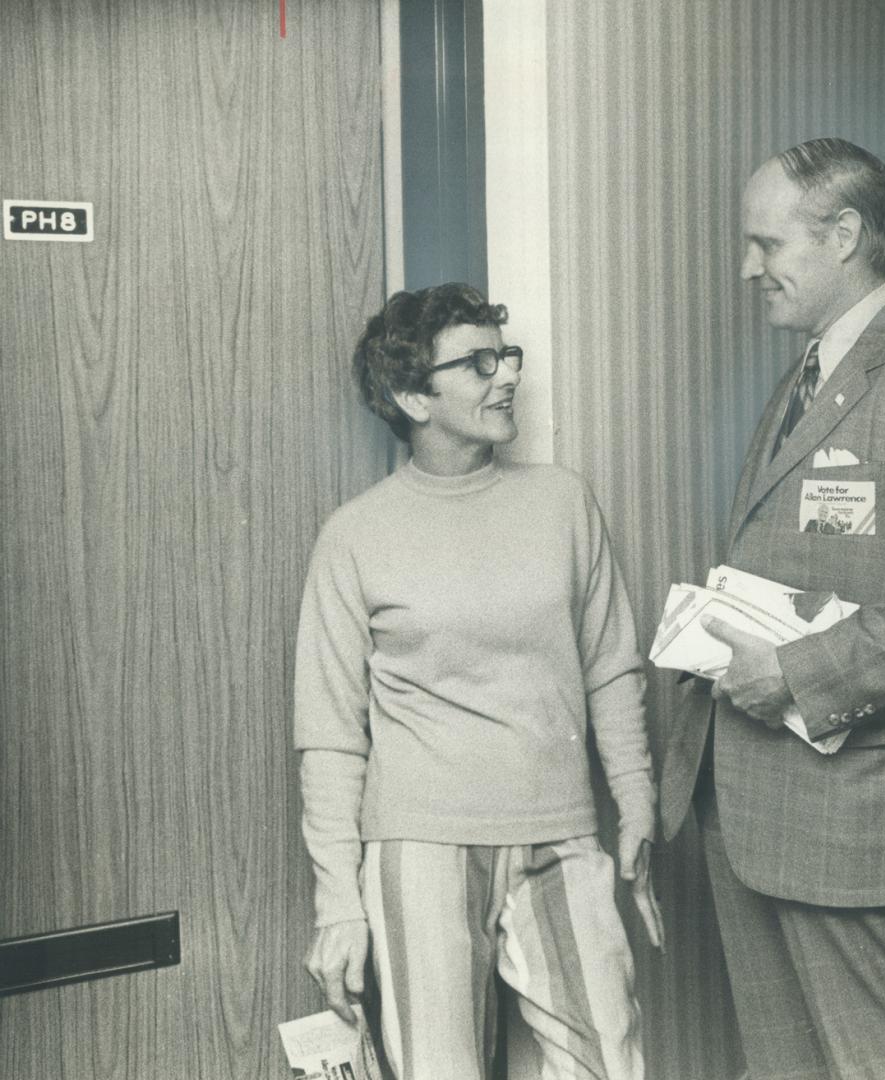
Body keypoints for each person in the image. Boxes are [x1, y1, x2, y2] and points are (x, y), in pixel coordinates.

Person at [657, 137, 885, 1080]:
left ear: (845, 234)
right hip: (749, 804)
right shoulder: (807, 370)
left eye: (766, 244)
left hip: (859, 815)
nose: (749, 267)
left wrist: (796, 674)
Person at [293, 283, 662, 1080]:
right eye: (479, 363)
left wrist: (634, 802)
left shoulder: (562, 502)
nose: (506, 378)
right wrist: (339, 902)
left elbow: (610, 665)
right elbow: (328, 736)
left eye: (507, 356)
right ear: (409, 396)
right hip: (418, 847)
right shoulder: (355, 536)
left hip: (560, 833)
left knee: (609, 1060)